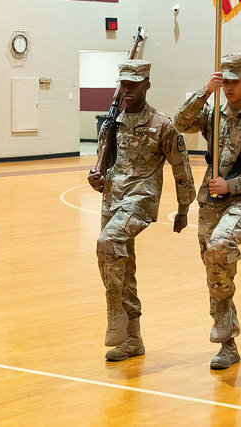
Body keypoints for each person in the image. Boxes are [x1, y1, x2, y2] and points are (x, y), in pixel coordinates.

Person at [174, 53, 241, 370]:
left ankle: (226, 335)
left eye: (236, 81)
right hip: (209, 203)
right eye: (226, 81)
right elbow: (180, 122)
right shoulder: (212, 114)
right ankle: (227, 345)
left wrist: (233, 186)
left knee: (220, 247)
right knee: (214, 268)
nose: (231, 87)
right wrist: (205, 91)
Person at [86, 59, 196, 362]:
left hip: (140, 200)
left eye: (135, 84)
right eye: (124, 84)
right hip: (112, 200)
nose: (129, 89)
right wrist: (97, 179)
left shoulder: (161, 124)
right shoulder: (112, 124)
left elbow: (180, 166)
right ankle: (133, 338)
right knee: (122, 265)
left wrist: (183, 208)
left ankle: (114, 311)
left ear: (147, 84)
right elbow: (105, 166)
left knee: (106, 242)